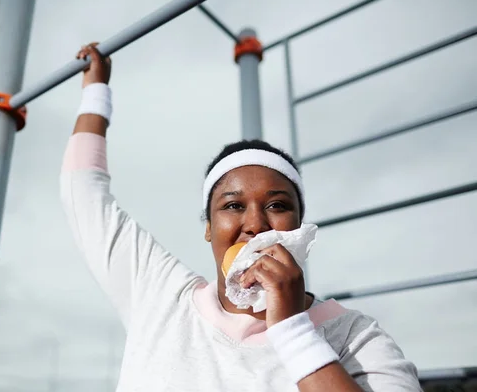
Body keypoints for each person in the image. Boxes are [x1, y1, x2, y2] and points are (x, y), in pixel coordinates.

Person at [59, 43, 423, 392]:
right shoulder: (161, 296)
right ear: (208, 228)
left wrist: (293, 329)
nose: (256, 225)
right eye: (233, 206)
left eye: (277, 205)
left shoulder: (354, 336)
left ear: (300, 226)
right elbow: (83, 193)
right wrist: (96, 92)